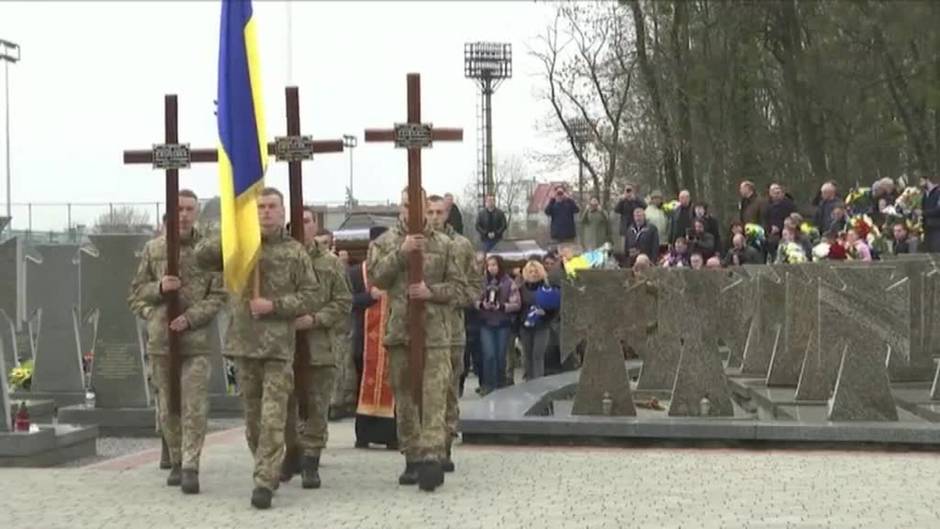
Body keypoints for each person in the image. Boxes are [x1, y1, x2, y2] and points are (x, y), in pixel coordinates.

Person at [194, 187, 318, 510]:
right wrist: (232, 231)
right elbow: (201, 257)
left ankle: (264, 479)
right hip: (244, 346)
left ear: (283, 212)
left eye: (271, 207)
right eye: (260, 207)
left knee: (274, 417)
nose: (265, 212)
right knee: (252, 421)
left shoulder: (295, 252)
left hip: (278, 349)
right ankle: (267, 463)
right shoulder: (239, 247)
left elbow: (311, 296)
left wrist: (273, 305)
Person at [128, 189, 227, 495]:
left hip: (195, 341)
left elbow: (219, 295)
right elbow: (137, 291)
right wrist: (158, 289)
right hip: (161, 341)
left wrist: (192, 317)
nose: (183, 215)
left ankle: (190, 466)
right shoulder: (154, 249)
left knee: (194, 405)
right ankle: (174, 458)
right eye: (179, 209)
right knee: (167, 406)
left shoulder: (209, 250)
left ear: (196, 212)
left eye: (189, 209)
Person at [367, 187, 462, 492]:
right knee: (405, 398)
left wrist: (432, 293)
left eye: (418, 205)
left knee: (435, 395)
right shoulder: (384, 242)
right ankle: (412, 456)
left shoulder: (446, 245)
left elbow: (461, 289)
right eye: (407, 205)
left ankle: (433, 454)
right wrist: (401, 252)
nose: (413, 211)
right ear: (401, 208)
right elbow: (377, 278)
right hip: (400, 332)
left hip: (435, 333)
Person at [281, 207, 352, 490]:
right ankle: (291, 452)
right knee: (286, 407)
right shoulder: (279, 259)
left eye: (306, 221)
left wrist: (315, 319)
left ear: (315, 226)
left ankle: (311, 461)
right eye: (295, 222)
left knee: (317, 405)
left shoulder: (330, 263)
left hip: (319, 346)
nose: (300, 226)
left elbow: (343, 302)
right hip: (283, 347)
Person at [427, 195, 478, 474]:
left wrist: (459, 299)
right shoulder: (418, 244)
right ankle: (426, 445)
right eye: (431, 212)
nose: (435, 217)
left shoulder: (461, 245)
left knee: (448, 387)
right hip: (422, 329)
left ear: (448, 215)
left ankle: (444, 442)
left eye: (440, 212)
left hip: (452, 328)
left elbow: (474, 282)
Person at [350, 227, 397, 450]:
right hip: (364, 341)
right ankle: (364, 434)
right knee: (364, 385)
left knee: (393, 385)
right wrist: (369, 296)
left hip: (392, 338)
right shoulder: (356, 273)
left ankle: (391, 435)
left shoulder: (396, 270)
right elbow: (347, 301)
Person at [476, 255, 521, 394]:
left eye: (494, 265)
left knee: (501, 355)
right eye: (489, 265)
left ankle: (500, 383)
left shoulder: (509, 282)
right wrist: (482, 305)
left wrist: (502, 306)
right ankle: (489, 384)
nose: (492, 268)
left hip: (502, 323)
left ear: (500, 266)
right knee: (489, 354)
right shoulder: (482, 282)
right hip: (486, 323)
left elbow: (516, 303)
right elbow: (473, 298)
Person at [518, 260, 559, 381]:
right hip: (525, 327)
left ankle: (539, 383)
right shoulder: (521, 289)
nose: (533, 274)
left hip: (542, 326)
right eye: (530, 271)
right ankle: (529, 381)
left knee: (538, 355)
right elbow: (517, 308)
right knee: (527, 356)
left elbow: (555, 308)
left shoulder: (548, 288)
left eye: (536, 271)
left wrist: (546, 314)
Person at [763, 183, 796, 258]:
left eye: (778, 193)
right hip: (771, 232)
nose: (776, 195)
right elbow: (765, 219)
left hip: (785, 231)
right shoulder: (768, 205)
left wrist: (780, 227)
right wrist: (770, 228)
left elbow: (792, 219)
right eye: (774, 193)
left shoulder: (789, 204)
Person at [922, 174, 940, 253]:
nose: (920, 183)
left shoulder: (938, 192)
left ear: (927, 180)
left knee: (936, 250)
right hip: (927, 226)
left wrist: (924, 213)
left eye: (921, 181)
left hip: (937, 226)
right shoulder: (925, 194)